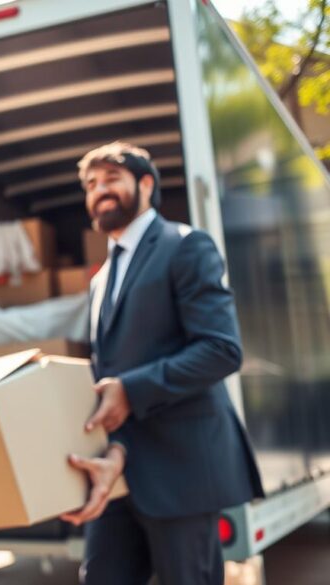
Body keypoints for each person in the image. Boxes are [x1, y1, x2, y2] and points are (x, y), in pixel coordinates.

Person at [60, 142, 264, 584]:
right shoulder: (99, 280)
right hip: (119, 470)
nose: (100, 191)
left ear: (146, 184)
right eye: (91, 185)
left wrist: (131, 390)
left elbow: (221, 349)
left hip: (181, 472)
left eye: (112, 178)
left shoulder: (185, 246)